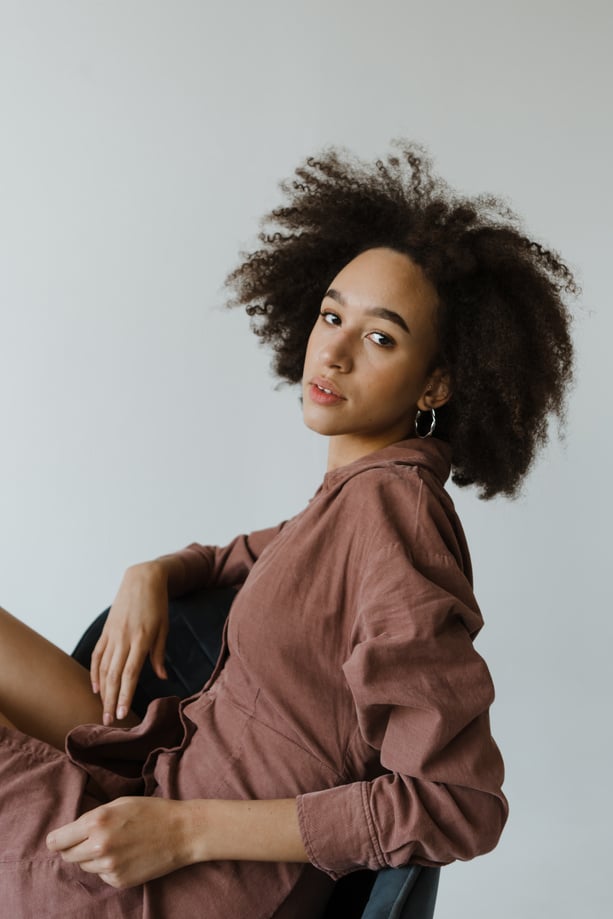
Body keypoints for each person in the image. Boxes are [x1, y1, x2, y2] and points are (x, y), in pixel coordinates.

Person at [0, 142, 575, 918]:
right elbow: (242, 557)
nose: (332, 349)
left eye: (379, 336)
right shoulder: (353, 497)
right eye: (331, 314)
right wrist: (153, 573)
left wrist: (184, 830)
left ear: (436, 380)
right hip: (155, 784)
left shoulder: (393, 517)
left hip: (172, 878)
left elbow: (456, 803)